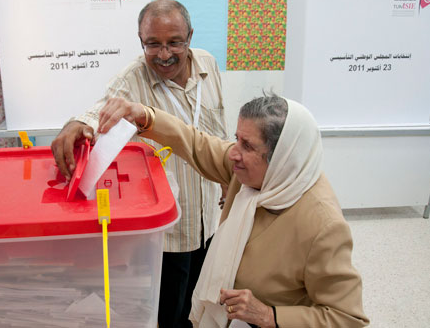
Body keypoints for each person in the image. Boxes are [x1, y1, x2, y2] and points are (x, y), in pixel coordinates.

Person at [95, 95, 370, 328]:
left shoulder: (322, 225)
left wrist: (270, 315)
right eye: (236, 139)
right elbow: (196, 143)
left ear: (282, 157)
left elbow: (346, 317)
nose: (233, 153)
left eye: (247, 146)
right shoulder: (254, 173)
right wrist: (145, 116)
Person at [50, 0, 228, 327]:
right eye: (153, 44)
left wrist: (227, 180)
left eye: (175, 42)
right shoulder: (133, 80)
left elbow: (218, 132)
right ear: (140, 40)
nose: (164, 54)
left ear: (190, 36)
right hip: (170, 233)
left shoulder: (208, 65)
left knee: (201, 302)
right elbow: (101, 108)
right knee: (170, 311)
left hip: (210, 220)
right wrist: (78, 125)